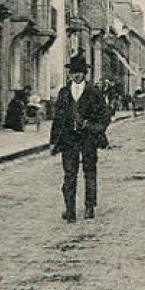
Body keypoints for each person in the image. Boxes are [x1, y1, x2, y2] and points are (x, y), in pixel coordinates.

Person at [51, 56, 112, 221]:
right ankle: (70, 210)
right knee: (69, 175)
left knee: (90, 172)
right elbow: (57, 119)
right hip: (69, 139)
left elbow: (105, 116)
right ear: (70, 74)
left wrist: (91, 125)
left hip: (88, 139)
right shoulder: (64, 93)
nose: (76, 75)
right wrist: (53, 141)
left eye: (80, 72)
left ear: (85, 74)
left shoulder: (94, 93)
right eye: (73, 72)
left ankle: (89, 207)